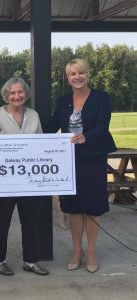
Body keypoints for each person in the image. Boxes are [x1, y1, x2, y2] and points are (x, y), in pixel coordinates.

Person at [45, 58, 116, 273]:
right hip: (70, 160)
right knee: (74, 207)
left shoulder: (101, 98)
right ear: (68, 78)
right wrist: (25, 135)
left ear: (88, 74)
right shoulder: (64, 100)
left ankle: (91, 250)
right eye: (72, 74)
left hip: (93, 158)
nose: (77, 77)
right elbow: (52, 125)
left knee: (93, 207)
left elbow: (103, 126)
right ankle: (77, 250)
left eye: (80, 73)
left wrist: (87, 137)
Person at [0, 77, 49, 276]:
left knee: (31, 221)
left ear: (25, 94)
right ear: (6, 95)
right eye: (12, 93)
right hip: (4, 180)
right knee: (2, 220)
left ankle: (30, 261)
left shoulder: (34, 115)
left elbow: (41, 145)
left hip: (29, 180)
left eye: (20, 92)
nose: (16, 96)